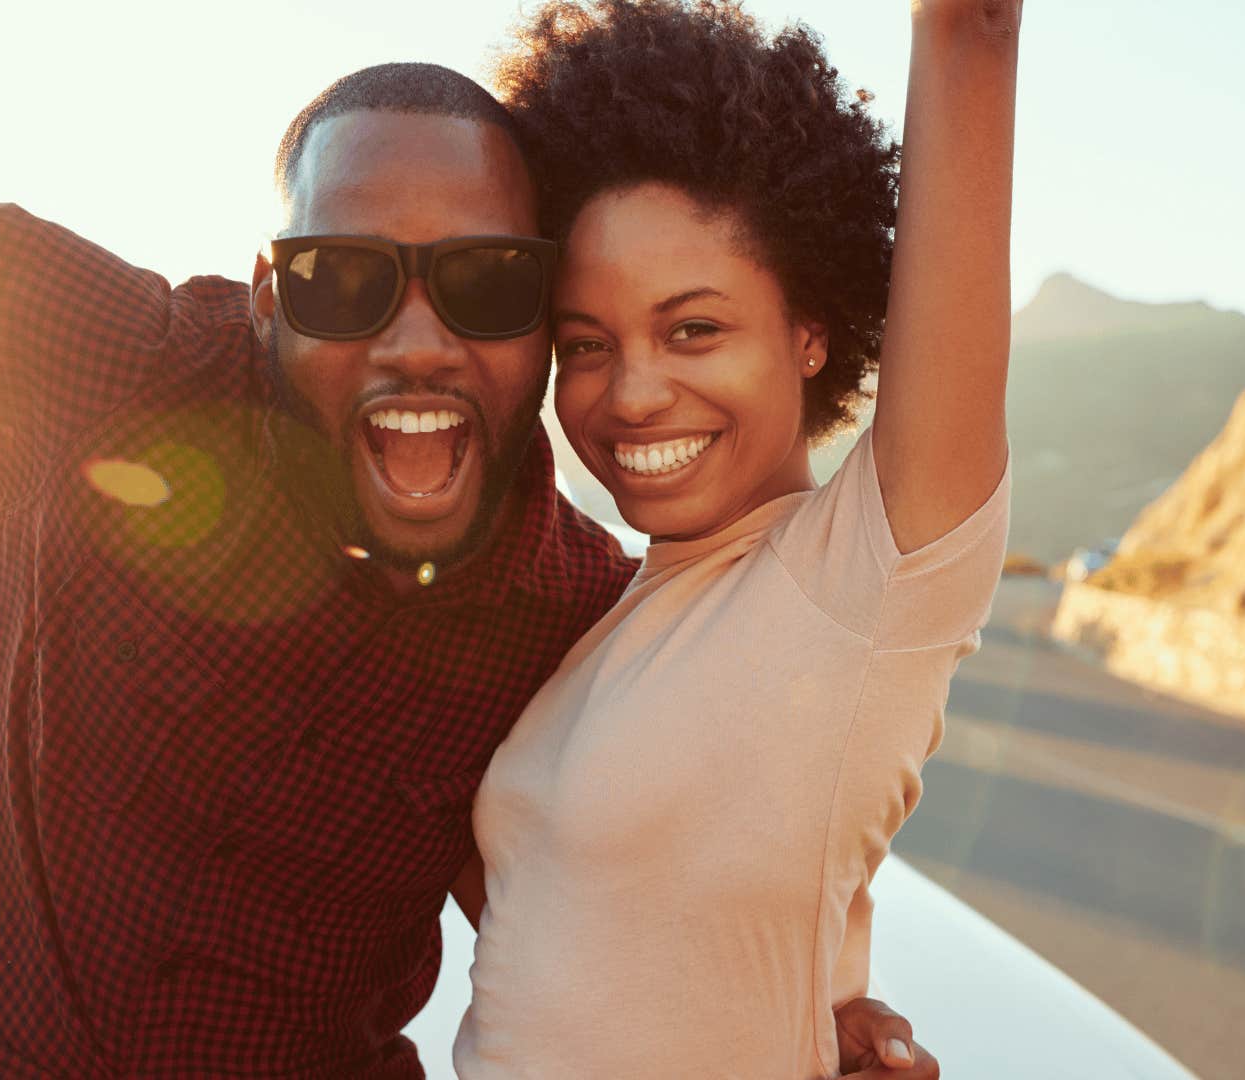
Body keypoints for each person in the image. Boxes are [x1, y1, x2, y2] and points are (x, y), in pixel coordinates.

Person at [0, 2, 931, 1075]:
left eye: (485, 282)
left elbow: (593, 906)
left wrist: (814, 1027)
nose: (417, 343)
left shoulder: (574, 620)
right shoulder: (116, 370)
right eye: (344, 281)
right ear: (270, 297)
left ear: (548, 318)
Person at [451, 1, 1018, 1076]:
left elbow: (972, 33)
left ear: (811, 332)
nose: (634, 394)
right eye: (587, 344)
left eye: (693, 329)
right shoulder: (610, 616)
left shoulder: (866, 578)